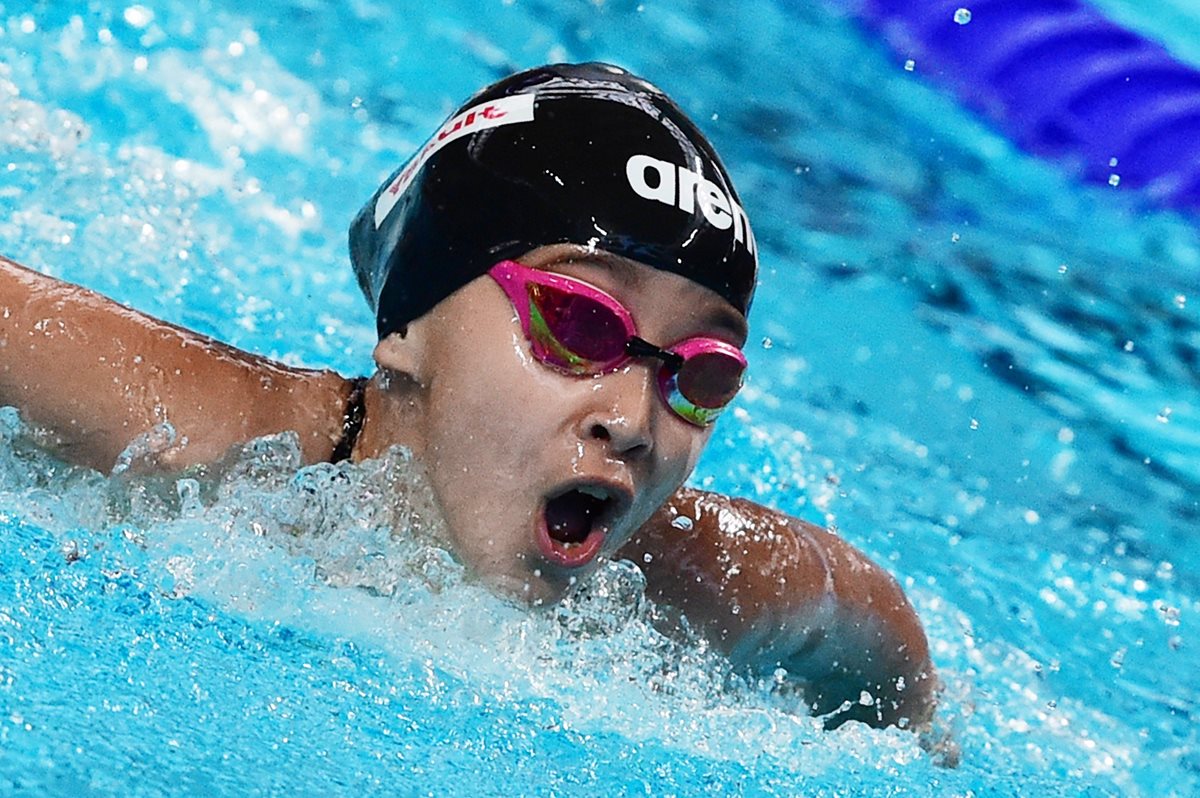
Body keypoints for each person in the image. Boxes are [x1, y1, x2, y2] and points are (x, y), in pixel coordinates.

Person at [0, 62, 937, 733]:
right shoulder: (197, 435)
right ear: (409, 328)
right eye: (580, 325)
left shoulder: (698, 586)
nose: (632, 419)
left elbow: (872, 627)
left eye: (699, 375)